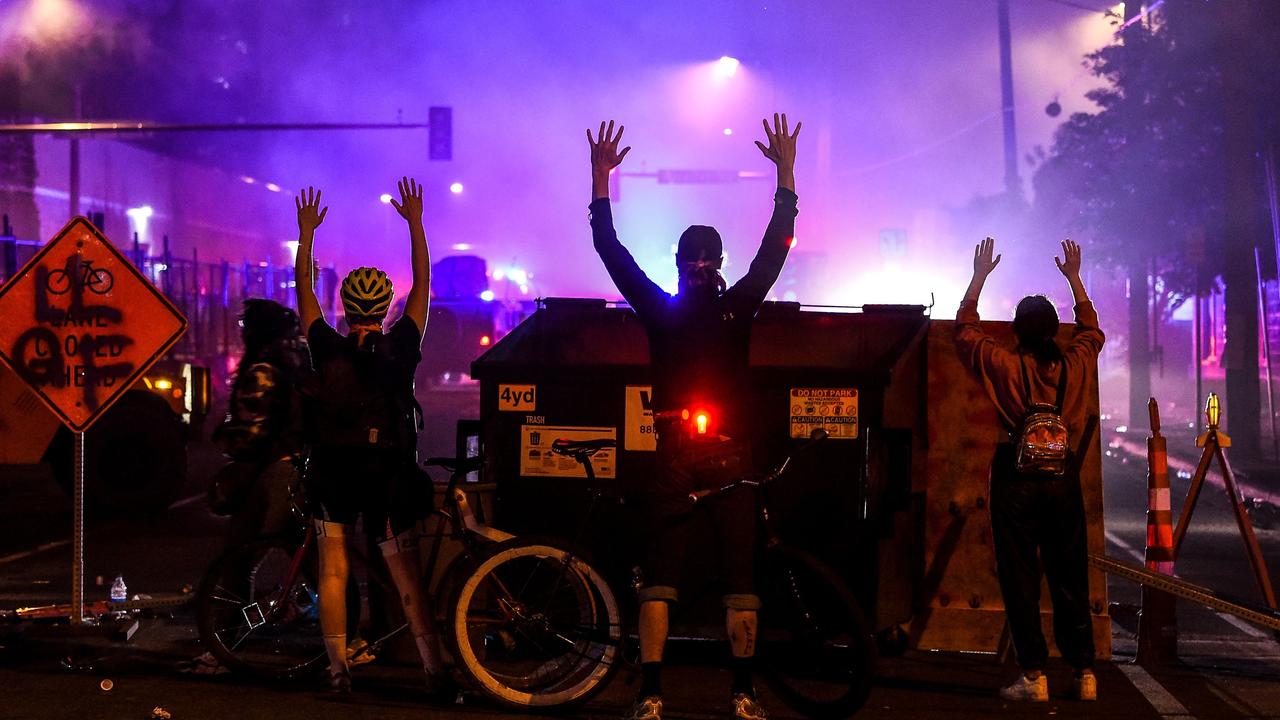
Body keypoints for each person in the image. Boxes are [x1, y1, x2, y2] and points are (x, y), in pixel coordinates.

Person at [588, 115, 800, 720]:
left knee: (660, 577)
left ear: (679, 262)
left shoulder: (662, 311)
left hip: (674, 449)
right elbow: (774, 250)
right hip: (732, 452)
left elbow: (611, 251)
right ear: (719, 262)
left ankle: (651, 693)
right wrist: (785, 173)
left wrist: (601, 180)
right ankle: (743, 694)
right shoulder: (738, 308)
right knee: (741, 578)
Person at [293, 179, 445, 695]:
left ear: (344, 306)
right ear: (385, 309)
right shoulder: (404, 345)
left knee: (334, 571)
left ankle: (338, 671)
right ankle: (434, 669)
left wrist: (306, 234)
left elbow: (304, 293)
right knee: (406, 577)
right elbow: (424, 286)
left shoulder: (326, 348)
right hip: (387, 475)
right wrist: (416, 224)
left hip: (332, 472)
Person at [954, 237, 1104, 703]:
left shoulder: (1003, 362)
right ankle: (1084, 674)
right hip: (1062, 478)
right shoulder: (1075, 364)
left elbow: (964, 332)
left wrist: (979, 277)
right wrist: (1075, 278)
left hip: (1015, 478)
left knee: (1019, 575)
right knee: (1069, 573)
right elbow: (1092, 332)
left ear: (1016, 330)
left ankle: (1033, 676)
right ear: (1055, 330)